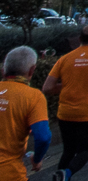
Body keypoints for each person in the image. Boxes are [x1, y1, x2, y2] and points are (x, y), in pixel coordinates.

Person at [43, 24, 88, 181]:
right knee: (84, 151)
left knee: (68, 151)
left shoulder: (65, 59)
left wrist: (68, 85)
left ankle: (59, 176)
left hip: (65, 113)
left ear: (80, 39)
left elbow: (47, 87)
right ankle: (66, 174)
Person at [0, 46, 51, 181]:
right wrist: (37, 158)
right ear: (32, 70)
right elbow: (43, 137)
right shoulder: (33, 97)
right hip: (9, 174)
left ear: (3, 70)